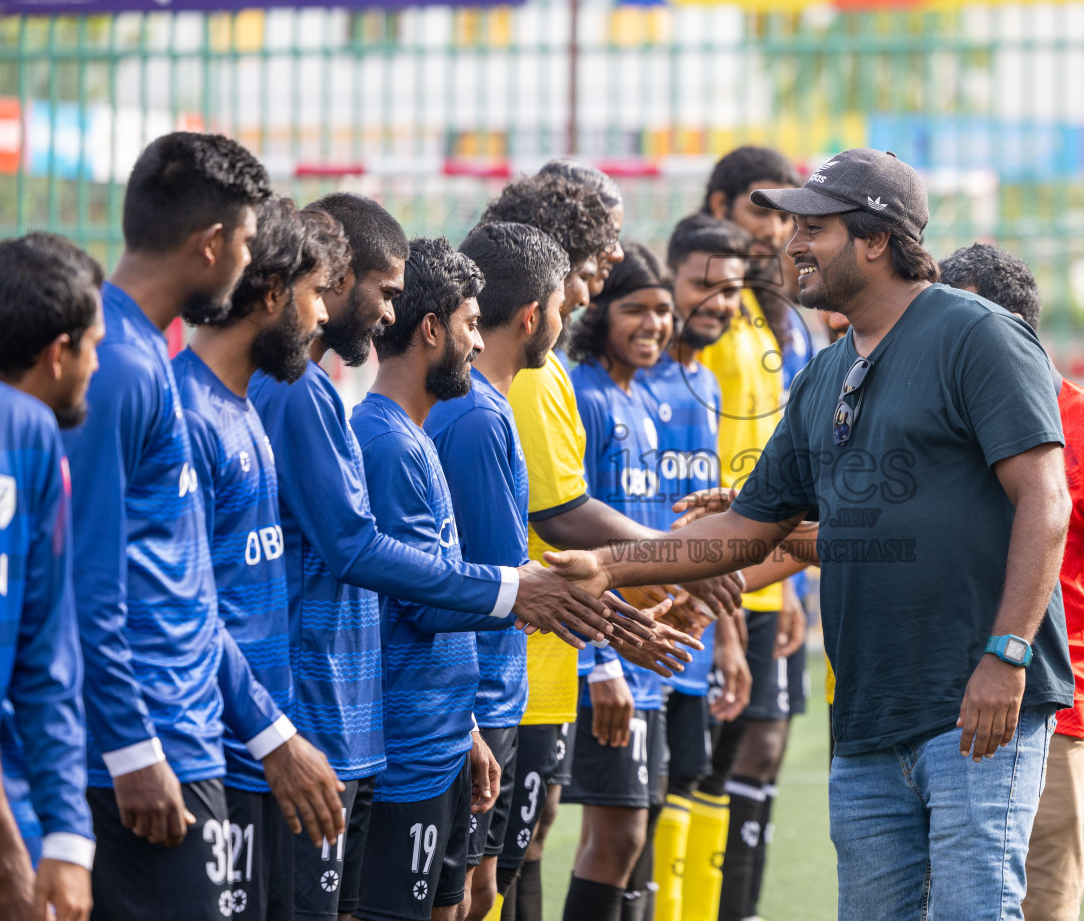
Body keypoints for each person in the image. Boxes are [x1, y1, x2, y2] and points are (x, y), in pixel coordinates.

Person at [545, 148, 1076, 921]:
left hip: (975, 707)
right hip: (865, 721)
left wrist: (1007, 654)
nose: (789, 241)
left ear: (875, 239)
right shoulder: (824, 374)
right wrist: (608, 566)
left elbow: (1047, 501)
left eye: (812, 226)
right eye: (790, 222)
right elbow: (749, 527)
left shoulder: (977, 335)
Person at [249, 194, 634, 921]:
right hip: (336, 730)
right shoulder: (334, 406)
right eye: (383, 293)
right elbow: (364, 555)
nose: (386, 315)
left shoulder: (351, 407)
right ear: (335, 280)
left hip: (386, 732)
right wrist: (514, 590)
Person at [484, 180, 743, 921]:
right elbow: (562, 517)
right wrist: (681, 561)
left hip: (565, 649)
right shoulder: (551, 381)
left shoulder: (630, 393)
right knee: (499, 865)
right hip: (524, 661)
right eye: (602, 262)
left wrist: (689, 572)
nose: (608, 267)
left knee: (538, 843)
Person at [938, 244, 1084, 921]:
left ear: (1010, 324)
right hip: (933, 707)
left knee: (1041, 908)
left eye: (959, 318)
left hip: (1051, 710)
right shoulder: (940, 417)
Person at [174, 199, 353, 921]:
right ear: (273, 292)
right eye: (316, 294)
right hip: (209, 758)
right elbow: (185, 607)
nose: (323, 318)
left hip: (260, 757)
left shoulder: (246, 407)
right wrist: (271, 735)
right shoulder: (185, 415)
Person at [423, 221, 567, 921]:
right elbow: (488, 579)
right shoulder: (480, 415)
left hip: (484, 693)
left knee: (480, 888)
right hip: (476, 693)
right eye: (565, 304)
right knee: (467, 896)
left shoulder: (485, 406)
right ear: (536, 314)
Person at [698, 147, 810, 921]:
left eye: (783, 213)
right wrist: (726, 603)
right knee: (710, 754)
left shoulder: (787, 315)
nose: (774, 229)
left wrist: (795, 584)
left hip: (777, 563)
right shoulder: (709, 310)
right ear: (720, 204)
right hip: (718, 552)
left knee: (766, 743)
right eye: (759, 209)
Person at [563, 245, 687, 921]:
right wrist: (599, 660)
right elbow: (563, 534)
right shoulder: (580, 393)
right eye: (636, 308)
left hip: (645, 657)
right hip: (601, 651)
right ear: (599, 312)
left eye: (663, 311)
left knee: (633, 836)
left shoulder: (640, 402)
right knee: (615, 836)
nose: (653, 324)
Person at [640, 215, 756, 921]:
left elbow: (714, 528)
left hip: (693, 630)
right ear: (670, 280)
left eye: (731, 290)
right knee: (631, 813)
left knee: (689, 780)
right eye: (701, 286)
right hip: (631, 625)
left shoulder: (704, 386)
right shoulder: (626, 376)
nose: (717, 302)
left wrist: (732, 636)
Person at [0, 232, 104, 921]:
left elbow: (44, 656)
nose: (100, 364)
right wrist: (10, 854)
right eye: (94, 345)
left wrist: (65, 833)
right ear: (59, 352)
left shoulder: (32, 437)